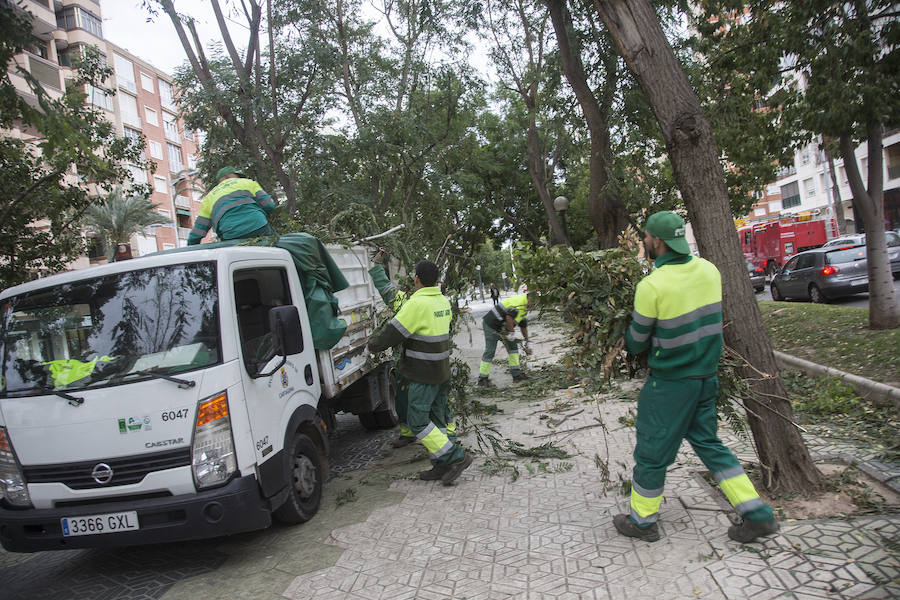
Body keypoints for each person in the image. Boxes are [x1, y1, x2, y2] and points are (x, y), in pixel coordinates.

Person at [615, 211, 778, 543]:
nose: (645, 241)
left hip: (671, 384)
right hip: (706, 378)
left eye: (646, 236)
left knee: (651, 450)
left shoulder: (652, 285)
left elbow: (636, 341)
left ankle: (642, 521)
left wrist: (624, 332)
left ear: (657, 241)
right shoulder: (709, 271)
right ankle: (757, 514)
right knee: (709, 443)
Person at [367, 260, 473, 484]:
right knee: (438, 420)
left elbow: (390, 334)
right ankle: (441, 465)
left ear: (416, 279)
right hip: (442, 371)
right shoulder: (443, 301)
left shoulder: (416, 305)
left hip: (423, 375)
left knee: (417, 422)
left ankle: (456, 457)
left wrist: (373, 343)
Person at [368, 249, 415, 449]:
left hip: (408, 364)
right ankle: (439, 435)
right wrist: (377, 266)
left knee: (407, 399)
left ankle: (415, 433)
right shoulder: (436, 302)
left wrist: (376, 265)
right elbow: (386, 288)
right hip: (426, 364)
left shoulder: (405, 302)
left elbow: (386, 288)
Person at [187, 166, 276, 245]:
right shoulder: (248, 182)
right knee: (278, 244)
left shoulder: (209, 197)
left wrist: (190, 248)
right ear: (228, 176)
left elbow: (198, 231)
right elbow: (269, 205)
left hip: (230, 235)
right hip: (258, 226)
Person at [477, 290, 532, 387]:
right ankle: (482, 379)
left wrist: (528, 341)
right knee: (490, 351)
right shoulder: (519, 302)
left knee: (513, 348)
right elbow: (509, 317)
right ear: (529, 298)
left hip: (503, 327)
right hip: (491, 325)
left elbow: (523, 325)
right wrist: (511, 333)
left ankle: (516, 374)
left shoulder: (524, 307)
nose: (534, 304)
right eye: (534, 301)